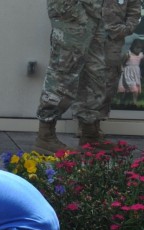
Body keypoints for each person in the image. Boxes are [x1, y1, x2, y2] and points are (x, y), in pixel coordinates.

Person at [33, 0, 106, 153]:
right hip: (71, 9)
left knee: (94, 71)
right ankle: (45, 135)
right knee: (64, 70)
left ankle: (90, 133)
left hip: (95, 11)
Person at [76, 0, 141, 139]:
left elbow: (135, 9)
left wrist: (126, 29)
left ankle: (96, 124)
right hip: (88, 35)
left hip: (113, 39)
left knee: (109, 80)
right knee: (86, 78)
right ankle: (84, 124)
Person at [118, 38, 144, 105]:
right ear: (133, 46)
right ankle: (122, 101)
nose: (139, 49)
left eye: (140, 48)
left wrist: (140, 74)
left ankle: (134, 102)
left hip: (136, 74)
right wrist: (121, 69)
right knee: (124, 90)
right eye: (137, 48)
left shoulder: (140, 55)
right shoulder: (128, 54)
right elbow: (122, 63)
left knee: (135, 89)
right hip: (127, 74)